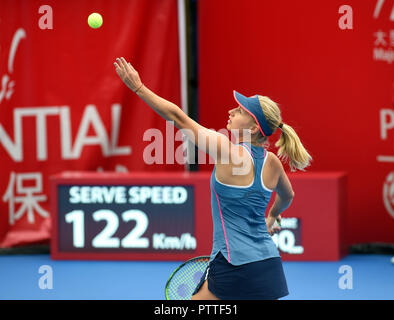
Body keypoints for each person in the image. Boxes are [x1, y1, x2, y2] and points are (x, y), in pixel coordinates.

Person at [114, 57, 313, 300]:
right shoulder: (272, 163)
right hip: (269, 266)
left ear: (252, 129)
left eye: (240, 111)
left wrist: (138, 88)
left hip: (233, 263)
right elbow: (287, 195)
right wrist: (273, 215)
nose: (231, 111)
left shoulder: (225, 149)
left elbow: (178, 117)